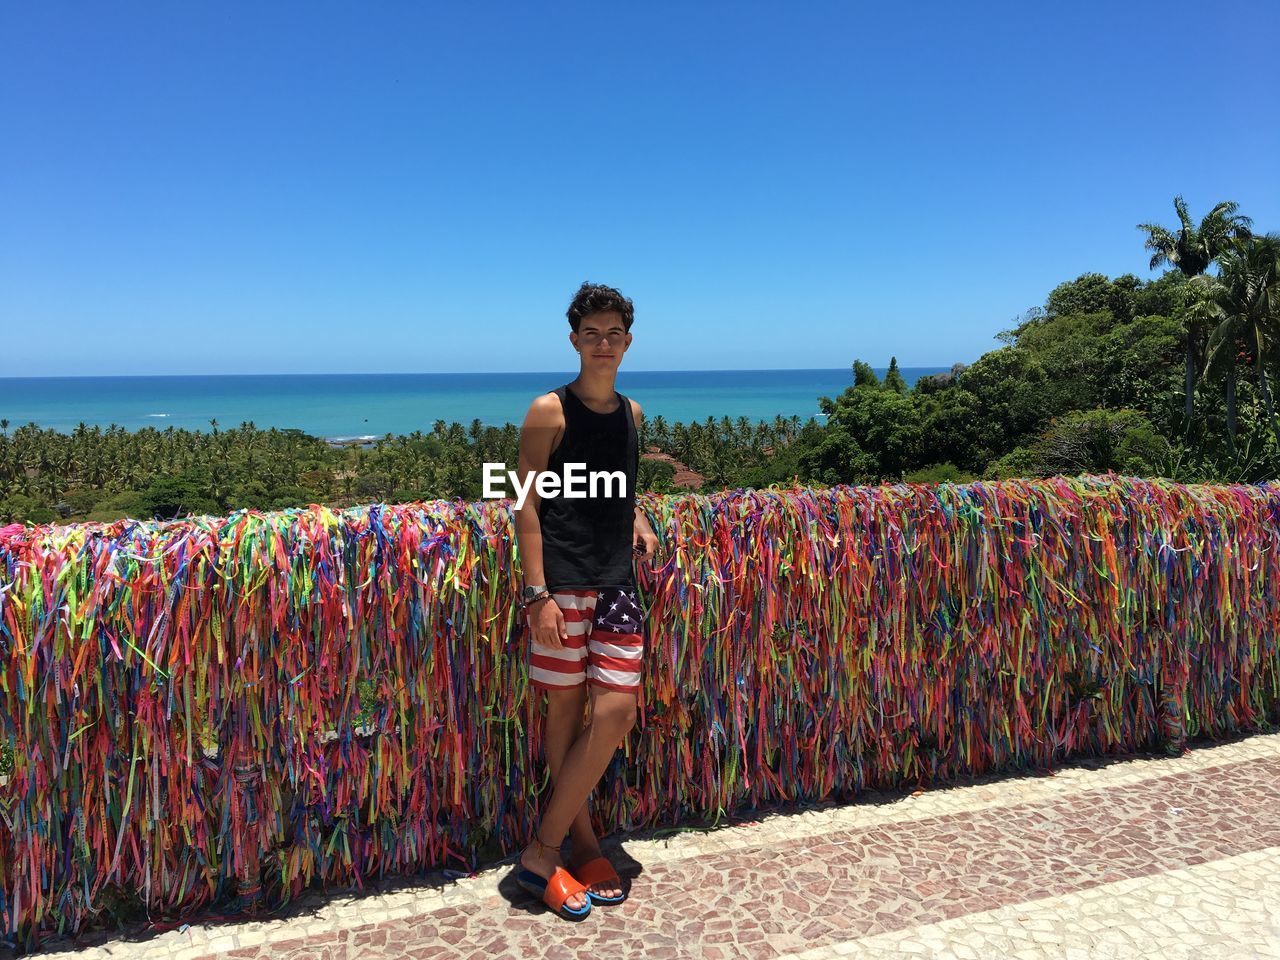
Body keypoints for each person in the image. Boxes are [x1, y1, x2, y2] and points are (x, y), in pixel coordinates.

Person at [511, 281, 659, 920]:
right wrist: (537, 594)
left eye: (614, 334)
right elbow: (523, 503)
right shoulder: (550, 410)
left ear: (628, 342)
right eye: (592, 334)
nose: (604, 344)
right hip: (562, 586)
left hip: (618, 582)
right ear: (574, 340)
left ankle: (540, 853)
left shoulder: (632, 413)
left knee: (617, 711)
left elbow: (614, 486)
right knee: (566, 716)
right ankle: (584, 841)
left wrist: (639, 517)